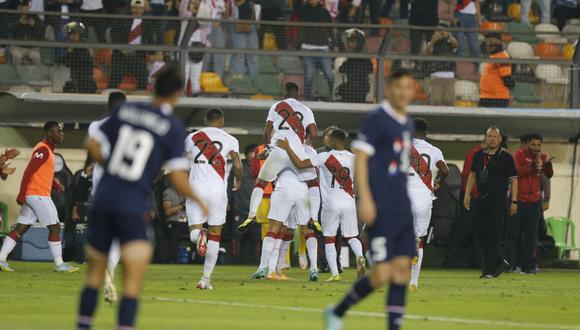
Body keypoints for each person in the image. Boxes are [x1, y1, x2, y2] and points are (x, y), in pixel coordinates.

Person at [77, 68, 208, 329]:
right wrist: (200, 200)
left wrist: (111, 164)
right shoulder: (172, 128)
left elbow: (91, 144)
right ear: (177, 94)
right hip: (132, 203)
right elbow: (179, 179)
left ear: (153, 87)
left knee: (93, 277)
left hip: (103, 199)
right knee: (133, 282)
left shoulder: (126, 110)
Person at [324, 69, 416, 330]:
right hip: (382, 205)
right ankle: (338, 311)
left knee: (402, 270)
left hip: (402, 206)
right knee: (383, 273)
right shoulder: (376, 119)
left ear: (413, 90)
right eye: (398, 86)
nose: (403, 91)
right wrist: (365, 198)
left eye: (408, 86)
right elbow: (361, 159)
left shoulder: (406, 122)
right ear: (388, 89)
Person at [0, 122, 78, 273]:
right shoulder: (42, 149)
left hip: (35, 195)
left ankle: (1, 259)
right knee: (55, 227)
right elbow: (29, 172)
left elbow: (40, 174)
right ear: (48, 133)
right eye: (57, 131)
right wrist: (22, 194)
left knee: (21, 228)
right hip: (38, 195)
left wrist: (55, 186)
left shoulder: (48, 150)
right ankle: (59, 264)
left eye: (61, 132)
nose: (60, 134)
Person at [238, 82, 318, 229]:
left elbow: (267, 131)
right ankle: (314, 218)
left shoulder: (276, 106)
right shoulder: (306, 110)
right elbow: (314, 133)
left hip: (278, 150)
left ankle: (251, 215)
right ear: (298, 95)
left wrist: (269, 148)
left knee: (261, 183)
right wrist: (305, 144)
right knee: (313, 183)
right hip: (297, 154)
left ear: (284, 94)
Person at [185, 108, 243, 290]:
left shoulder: (192, 138)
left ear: (205, 119)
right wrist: (238, 179)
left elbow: (183, 160)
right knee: (215, 235)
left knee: (195, 231)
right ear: (222, 120)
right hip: (217, 190)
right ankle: (205, 279)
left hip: (196, 189)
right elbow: (238, 164)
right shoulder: (230, 139)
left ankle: (199, 236)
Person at [252, 139, 322, 281]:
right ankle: (313, 268)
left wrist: (266, 152)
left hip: (282, 190)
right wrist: (314, 213)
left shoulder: (281, 148)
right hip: (302, 192)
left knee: (275, 229)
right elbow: (314, 181)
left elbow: (265, 152)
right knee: (304, 229)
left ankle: (265, 268)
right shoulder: (309, 152)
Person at [87, 90, 127, 305]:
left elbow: (92, 150)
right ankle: (109, 268)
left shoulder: (97, 125)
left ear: (108, 105)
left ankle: (104, 270)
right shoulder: (134, 127)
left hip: (101, 189)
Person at [464, 126, 518, 278]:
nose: (492, 139)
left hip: (498, 200)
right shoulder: (479, 155)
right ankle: (499, 260)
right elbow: (473, 175)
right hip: (481, 198)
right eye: (489, 136)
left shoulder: (506, 157)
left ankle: (488, 269)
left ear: (500, 139)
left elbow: (514, 180)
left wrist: (513, 201)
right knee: (478, 230)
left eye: (495, 136)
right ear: (485, 138)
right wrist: (467, 194)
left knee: (493, 235)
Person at [315, 128, 366, 282]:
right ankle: (360, 256)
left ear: (334, 141)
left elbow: (306, 167)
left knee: (329, 239)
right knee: (351, 236)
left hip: (330, 205)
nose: (326, 140)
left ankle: (335, 274)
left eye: (328, 138)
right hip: (349, 203)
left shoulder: (323, 157)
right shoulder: (353, 158)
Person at [407, 118, 449, 292]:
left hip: (405, 197)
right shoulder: (434, 150)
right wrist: (437, 183)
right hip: (424, 198)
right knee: (420, 240)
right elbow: (445, 170)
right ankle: (413, 283)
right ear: (426, 132)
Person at [506, 133, 554, 274]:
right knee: (513, 233)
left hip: (534, 202)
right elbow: (516, 172)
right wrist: (532, 166)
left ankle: (528, 266)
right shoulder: (520, 154)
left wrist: (548, 165)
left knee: (531, 235)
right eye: (533, 145)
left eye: (538, 145)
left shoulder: (543, 157)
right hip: (518, 199)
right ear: (528, 144)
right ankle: (510, 264)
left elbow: (548, 176)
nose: (536, 148)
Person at [294, 0, 335, 100]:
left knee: (329, 75)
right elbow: (296, 5)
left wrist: (334, 44)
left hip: (323, 49)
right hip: (307, 49)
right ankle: (308, 99)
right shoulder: (303, 10)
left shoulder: (325, 12)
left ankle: (332, 97)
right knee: (309, 76)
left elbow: (330, 29)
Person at [110, 0, 151, 90]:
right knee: (115, 78)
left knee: (143, 78)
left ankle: (141, 96)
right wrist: (121, 48)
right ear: (131, 8)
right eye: (135, 8)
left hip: (137, 54)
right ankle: (111, 94)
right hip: (120, 54)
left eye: (140, 8)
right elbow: (114, 33)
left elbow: (150, 37)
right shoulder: (123, 18)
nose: (137, 10)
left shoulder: (148, 20)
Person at [336, 28, 373, 103]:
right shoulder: (351, 57)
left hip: (359, 89)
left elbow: (370, 69)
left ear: (359, 42)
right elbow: (342, 69)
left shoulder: (364, 58)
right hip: (352, 88)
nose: (350, 44)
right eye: (349, 41)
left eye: (353, 42)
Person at [479, 33, 514, 108]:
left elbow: (507, 79)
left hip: (497, 99)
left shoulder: (502, 57)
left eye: (488, 40)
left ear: (496, 42)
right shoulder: (493, 55)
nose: (486, 42)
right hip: (487, 97)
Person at [426, 26, 458, 106]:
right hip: (436, 75)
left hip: (449, 75)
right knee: (436, 101)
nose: (440, 33)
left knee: (450, 101)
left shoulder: (450, 41)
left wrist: (447, 36)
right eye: (438, 31)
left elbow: (456, 45)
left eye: (442, 31)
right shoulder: (432, 43)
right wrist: (433, 41)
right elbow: (427, 52)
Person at [62, 21, 97, 94]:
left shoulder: (83, 46)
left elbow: (80, 62)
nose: (70, 37)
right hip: (76, 78)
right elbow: (67, 62)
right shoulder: (72, 46)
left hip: (85, 82)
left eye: (72, 34)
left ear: (78, 34)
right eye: (69, 35)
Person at [9, 0, 44, 67]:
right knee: (17, 56)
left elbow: (42, 31)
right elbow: (9, 30)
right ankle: (15, 75)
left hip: (32, 46)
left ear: (28, 7)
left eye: (26, 5)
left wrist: (35, 25)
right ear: (18, 8)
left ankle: (38, 76)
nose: (24, 7)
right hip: (17, 46)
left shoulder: (34, 16)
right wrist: (18, 23)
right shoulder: (13, 16)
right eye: (22, 5)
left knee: (36, 56)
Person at [162, 180, 187, 264]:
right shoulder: (169, 192)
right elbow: (168, 211)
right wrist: (182, 205)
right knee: (175, 231)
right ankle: (171, 260)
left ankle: (196, 259)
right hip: (172, 221)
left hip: (184, 222)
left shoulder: (186, 192)